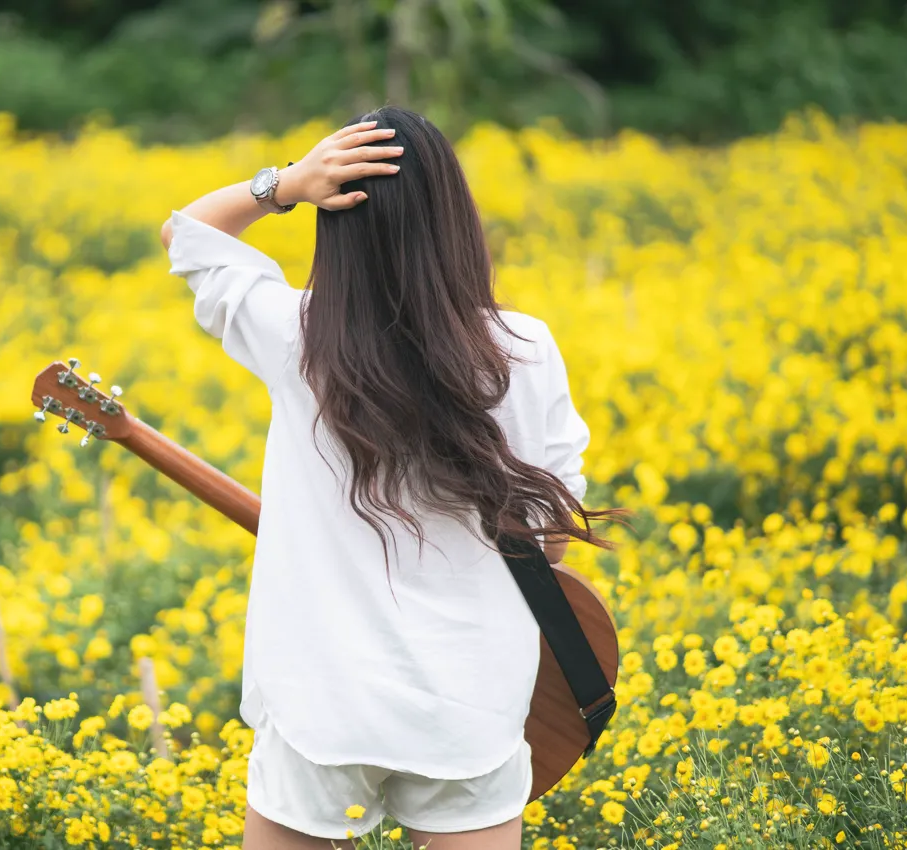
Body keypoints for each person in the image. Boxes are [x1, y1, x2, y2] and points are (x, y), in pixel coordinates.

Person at [159, 106, 618, 850]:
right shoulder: (525, 348)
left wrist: (286, 184)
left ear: (335, 223)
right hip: (467, 706)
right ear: (453, 219)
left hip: (324, 707)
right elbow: (551, 542)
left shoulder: (296, 337)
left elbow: (186, 233)